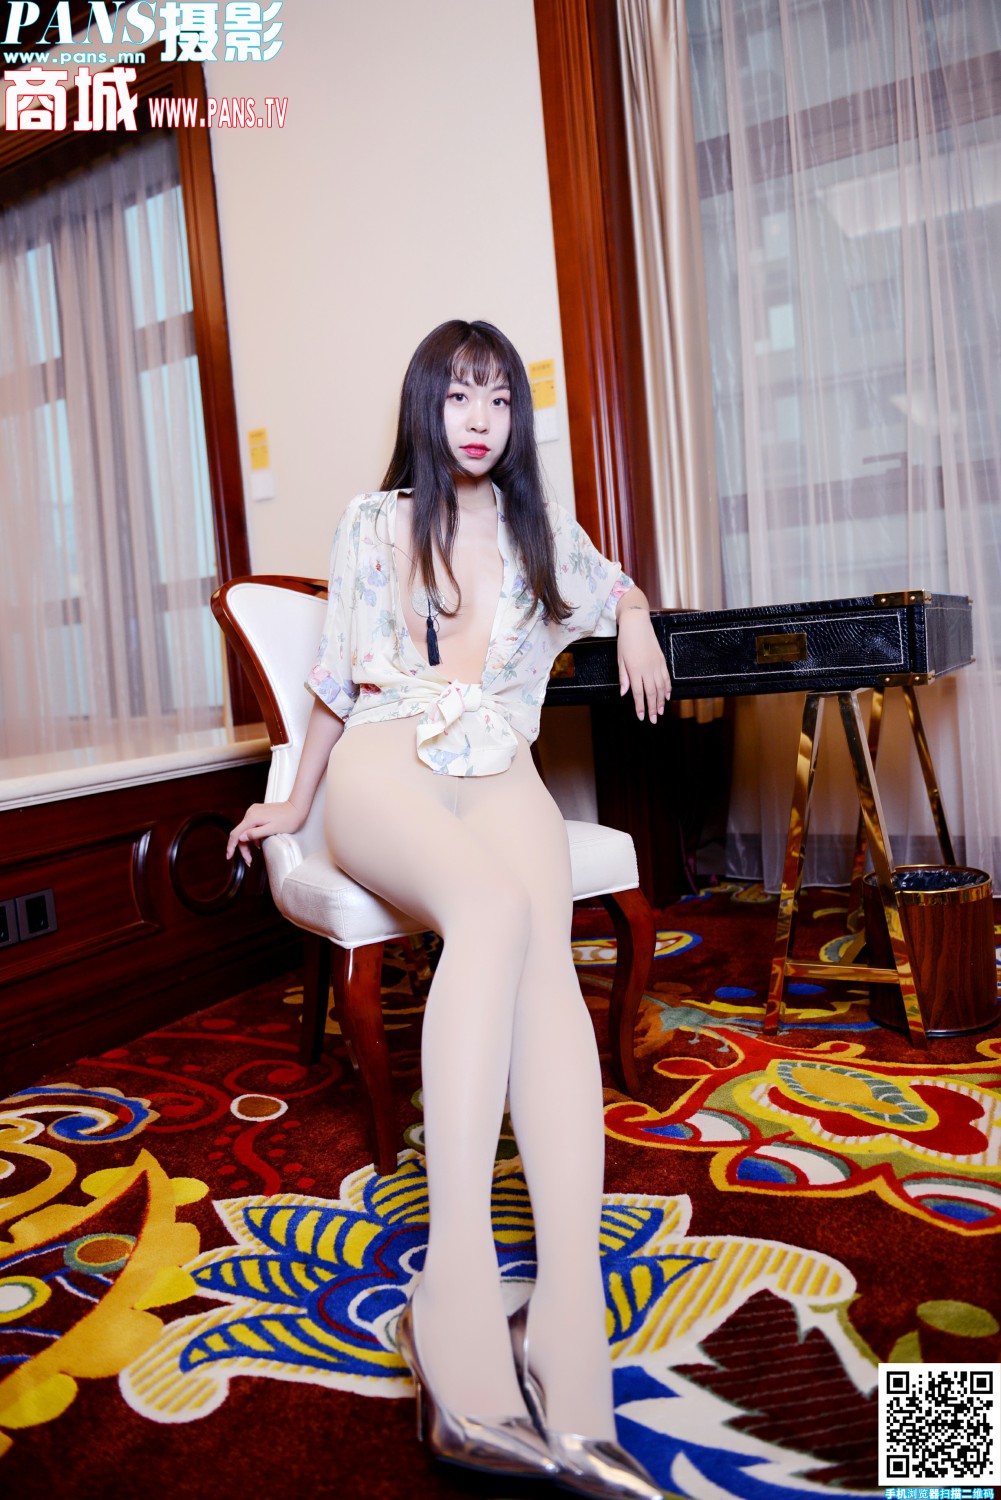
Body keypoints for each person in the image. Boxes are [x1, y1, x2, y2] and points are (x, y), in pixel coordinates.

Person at [227, 320, 670, 1498]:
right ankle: (454, 1295)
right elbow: (334, 685)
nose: (479, 419)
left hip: (499, 766)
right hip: (388, 758)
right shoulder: (373, 524)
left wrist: (631, 614)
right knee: (486, 910)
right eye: (459, 396)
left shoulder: (539, 530)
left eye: (499, 399)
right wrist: (292, 804)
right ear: (426, 408)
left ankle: (566, 1325)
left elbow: (612, 582)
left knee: (545, 960)